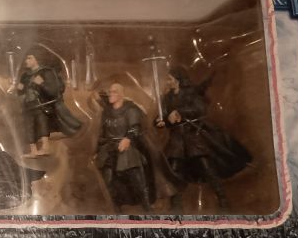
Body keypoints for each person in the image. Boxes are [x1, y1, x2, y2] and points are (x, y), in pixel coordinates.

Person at [155, 67, 250, 211]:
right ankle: (176, 206)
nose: (167, 82)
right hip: (177, 139)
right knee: (174, 170)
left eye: (170, 79)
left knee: (206, 167)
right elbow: (163, 117)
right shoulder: (167, 98)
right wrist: (160, 121)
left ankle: (222, 200)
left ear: (177, 80)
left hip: (193, 136)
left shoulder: (191, 93)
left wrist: (180, 112)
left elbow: (200, 109)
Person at [95, 83, 154, 212]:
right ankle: (116, 209)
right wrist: (98, 149)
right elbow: (102, 132)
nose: (110, 94)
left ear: (121, 94)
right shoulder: (106, 112)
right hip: (109, 148)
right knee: (108, 182)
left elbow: (135, 128)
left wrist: (128, 138)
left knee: (137, 180)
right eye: (110, 91)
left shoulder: (130, 110)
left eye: (114, 91)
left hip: (127, 149)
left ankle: (147, 208)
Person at [17, 50, 81, 157]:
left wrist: (41, 84)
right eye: (26, 58)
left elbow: (53, 91)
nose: (26, 61)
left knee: (42, 125)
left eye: (29, 58)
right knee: (29, 127)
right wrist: (19, 89)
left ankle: (45, 147)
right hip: (28, 105)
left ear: (36, 59)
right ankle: (33, 150)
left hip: (41, 105)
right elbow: (21, 91)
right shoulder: (25, 76)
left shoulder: (46, 72)